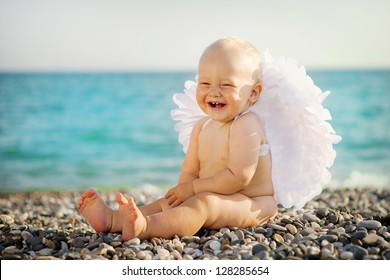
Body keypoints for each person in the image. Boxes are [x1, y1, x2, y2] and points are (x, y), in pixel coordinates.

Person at [77, 37, 278, 240]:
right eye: (205, 83)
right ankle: (112, 220)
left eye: (226, 85)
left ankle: (146, 228)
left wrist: (192, 189)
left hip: (253, 203)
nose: (214, 92)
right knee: (167, 202)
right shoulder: (202, 126)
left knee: (204, 204)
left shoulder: (246, 124)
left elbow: (238, 177)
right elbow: (190, 170)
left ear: (253, 93)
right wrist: (182, 193)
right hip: (215, 194)